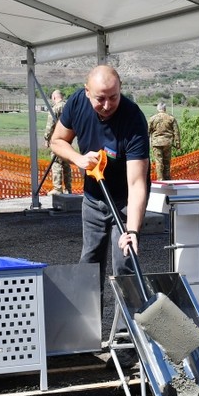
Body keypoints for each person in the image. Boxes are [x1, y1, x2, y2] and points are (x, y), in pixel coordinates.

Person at [49, 65, 150, 298]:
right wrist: (79, 159)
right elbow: (57, 141)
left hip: (124, 202)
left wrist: (132, 230)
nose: (107, 105)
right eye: (100, 99)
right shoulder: (76, 103)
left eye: (113, 97)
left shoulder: (133, 119)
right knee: (89, 263)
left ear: (120, 89)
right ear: (86, 92)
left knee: (125, 261)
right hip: (93, 199)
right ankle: (87, 327)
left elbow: (137, 183)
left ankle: (128, 329)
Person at [44, 90, 73, 195]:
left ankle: (57, 188)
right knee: (66, 164)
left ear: (54, 97)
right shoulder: (68, 107)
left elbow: (50, 125)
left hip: (56, 140)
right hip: (68, 139)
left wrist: (47, 138)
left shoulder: (55, 108)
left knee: (56, 163)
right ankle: (68, 189)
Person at [147, 102, 181, 181]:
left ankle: (160, 179)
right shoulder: (171, 118)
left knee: (159, 161)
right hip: (167, 143)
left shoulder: (152, 118)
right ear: (165, 109)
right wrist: (178, 143)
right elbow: (176, 131)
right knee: (167, 162)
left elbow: (147, 131)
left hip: (156, 143)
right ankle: (167, 178)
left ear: (158, 109)